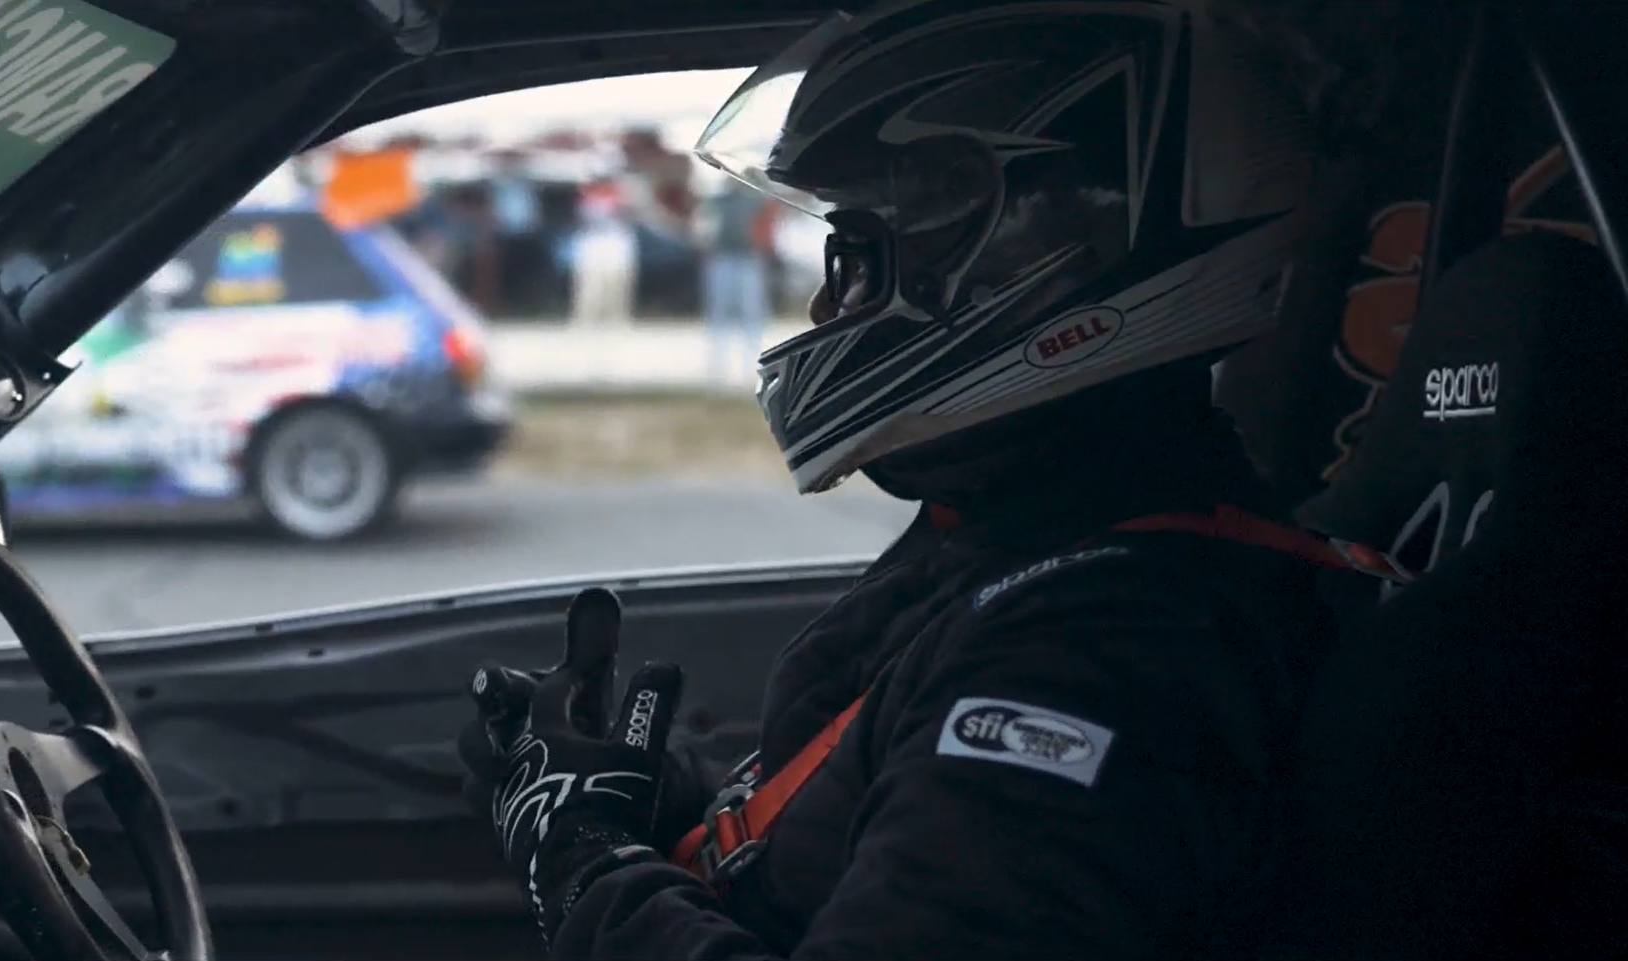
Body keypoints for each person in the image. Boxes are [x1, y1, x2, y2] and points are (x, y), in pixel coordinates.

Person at [456, 3, 1382, 958]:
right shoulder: (1030, 533)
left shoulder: (1107, 654)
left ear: (1035, 259)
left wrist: (588, 867)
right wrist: (643, 793)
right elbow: (867, 804)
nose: (827, 306)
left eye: (860, 259)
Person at [696, 177, 773, 387]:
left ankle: (753, 363)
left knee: (751, 311)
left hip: (748, 259)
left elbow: (766, 227)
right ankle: (717, 365)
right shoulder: (716, 201)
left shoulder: (755, 201)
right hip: (723, 258)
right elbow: (704, 227)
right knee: (719, 312)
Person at [569, 177, 639, 328]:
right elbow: (582, 219)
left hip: (616, 244)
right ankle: (585, 319)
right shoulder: (586, 198)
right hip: (592, 246)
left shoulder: (623, 196)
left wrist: (622, 205)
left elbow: (632, 215)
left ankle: (617, 318)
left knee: (616, 283)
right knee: (590, 285)